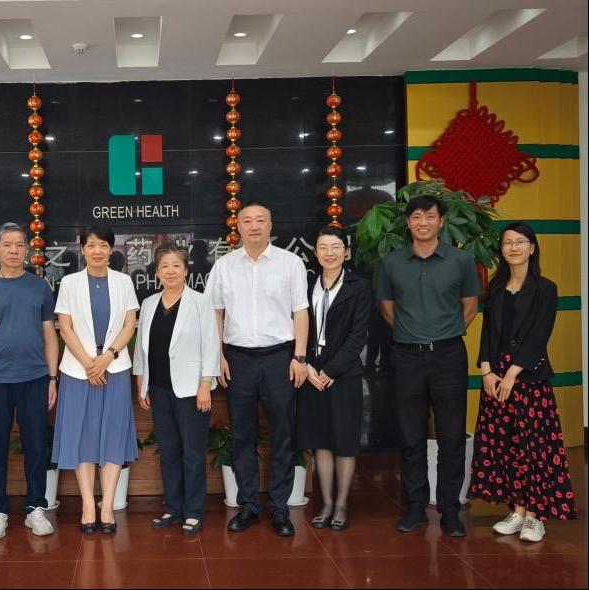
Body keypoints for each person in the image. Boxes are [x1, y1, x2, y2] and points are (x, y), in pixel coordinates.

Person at [376, 194, 481, 537]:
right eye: (417, 217)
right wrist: (413, 334)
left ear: (441, 221)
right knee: (411, 434)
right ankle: (415, 507)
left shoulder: (461, 260)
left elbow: (470, 306)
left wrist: (444, 333)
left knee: (451, 435)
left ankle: (450, 510)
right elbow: (387, 308)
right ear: (408, 223)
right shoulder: (392, 262)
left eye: (430, 216)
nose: (423, 222)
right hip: (407, 356)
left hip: (449, 355)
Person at [205, 201, 309, 537]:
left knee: (283, 433)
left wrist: (300, 357)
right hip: (238, 359)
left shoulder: (290, 263)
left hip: (280, 357)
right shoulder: (224, 266)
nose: (254, 226)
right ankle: (248, 505)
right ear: (237, 226)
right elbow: (215, 313)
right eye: (247, 221)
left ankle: (279, 508)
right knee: (242, 434)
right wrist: (218, 356)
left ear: (270, 225)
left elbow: (301, 311)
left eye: (260, 220)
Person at [470, 222, 576, 541]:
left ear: (532, 248)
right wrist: (487, 370)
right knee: (506, 446)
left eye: (520, 242)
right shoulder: (496, 288)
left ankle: (534, 516)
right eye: (507, 243)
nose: (513, 247)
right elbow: (488, 333)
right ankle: (517, 510)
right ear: (501, 250)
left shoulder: (545, 288)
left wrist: (513, 373)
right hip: (496, 376)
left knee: (534, 446)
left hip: (528, 375)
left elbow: (539, 335)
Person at [0, 222, 59, 540]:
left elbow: (50, 334)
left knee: (36, 445)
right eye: (7, 245)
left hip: (35, 378)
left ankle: (35, 507)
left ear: (27, 250)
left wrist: (52, 378)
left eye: (19, 244)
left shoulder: (39, 287)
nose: (14, 250)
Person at [52, 223, 139, 534]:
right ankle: (88, 504)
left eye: (103, 245)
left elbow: (129, 325)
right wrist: (90, 364)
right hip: (79, 371)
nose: (97, 250)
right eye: (91, 245)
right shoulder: (69, 283)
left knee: (113, 435)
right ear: (83, 249)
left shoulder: (124, 282)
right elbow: (65, 328)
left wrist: (107, 358)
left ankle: (108, 505)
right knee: (83, 436)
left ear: (111, 249)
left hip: (114, 368)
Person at [133, 244, 219, 535]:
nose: (170, 271)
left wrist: (205, 384)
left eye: (176, 265)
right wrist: (141, 382)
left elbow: (211, 344)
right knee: (168, 451)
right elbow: (141, 349)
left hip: (191, 390)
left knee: (192, 452)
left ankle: (193, 511)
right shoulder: (149, 304)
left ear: (186, 270)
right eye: (164, 266)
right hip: (158, 388)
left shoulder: (200, 302)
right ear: (157, 272)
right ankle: (173, 507)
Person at [296, 226, 371, 532]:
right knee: (321, 440)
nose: (329, 253)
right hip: (312, 373)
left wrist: (331, 371)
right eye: (323, 247)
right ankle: (326, 503)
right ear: (315, 253)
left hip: (343, 374)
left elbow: (358, 336)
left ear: (346, 252)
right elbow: (298, 327)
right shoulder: (306, 285)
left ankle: (341, 504)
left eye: (336, 247)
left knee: (344, 440)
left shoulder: (359, 286)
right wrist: (308, 367)